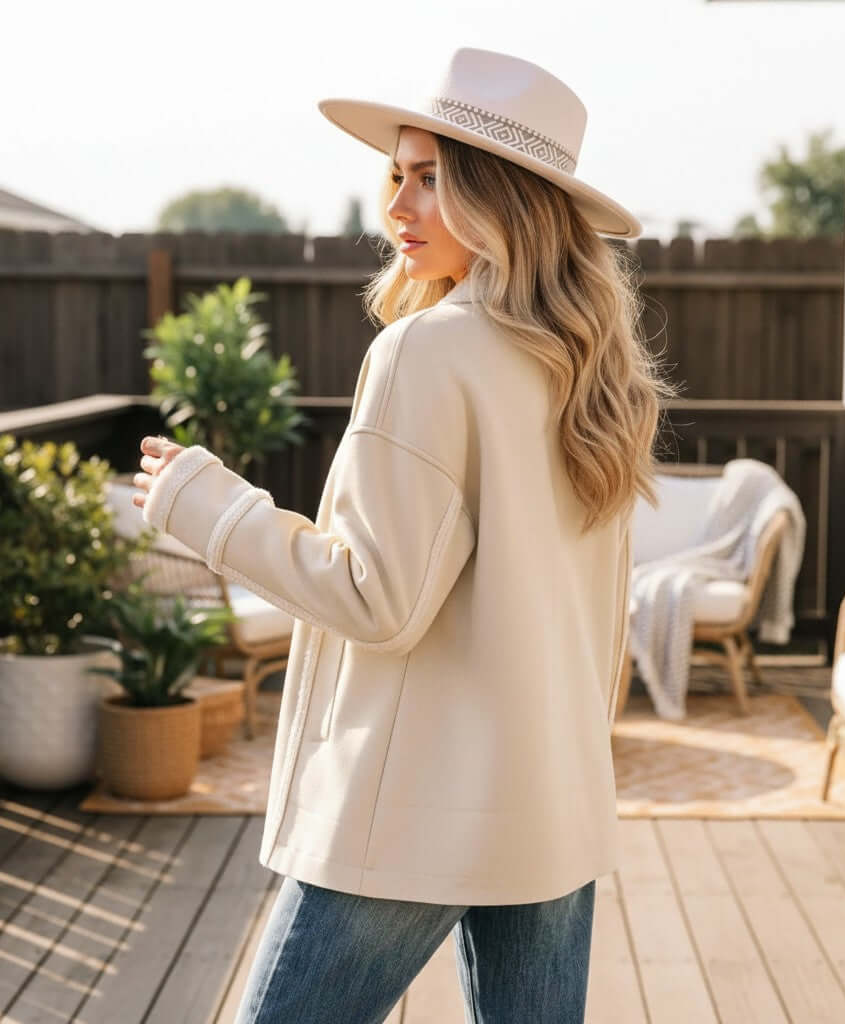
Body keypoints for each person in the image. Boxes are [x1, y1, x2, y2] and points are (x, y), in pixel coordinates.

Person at [132, 45, 676, 1024]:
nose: (397, 206)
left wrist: (205, 504)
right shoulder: (590, 370)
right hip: (551, 800)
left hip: (421, 809)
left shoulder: (427, 351)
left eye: (432, 178)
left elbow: (374, 600)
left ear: (502, 194)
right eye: (396, 173)